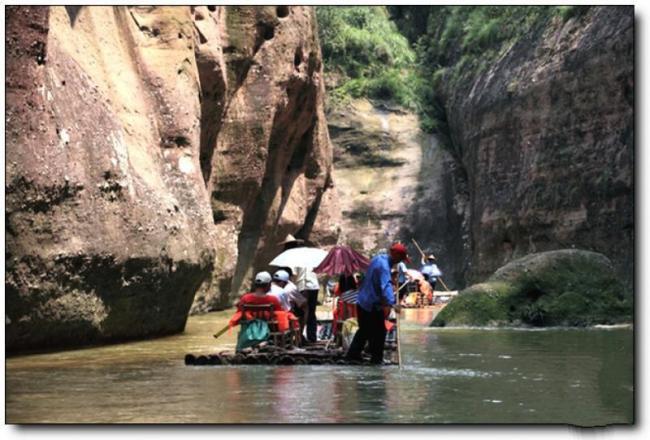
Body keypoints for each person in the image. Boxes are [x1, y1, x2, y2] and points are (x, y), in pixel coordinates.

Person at [346, 242, 409, 364]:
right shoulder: (384, 267)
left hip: (364, 301)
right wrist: (393, 303)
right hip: (370, 304)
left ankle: (353, 355)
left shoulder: (378, 258)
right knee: (379, 332)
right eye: (400, 258)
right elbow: (385, 286)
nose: (400, 261)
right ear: (395, 255)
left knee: (365, 330)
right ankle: (376, 359)